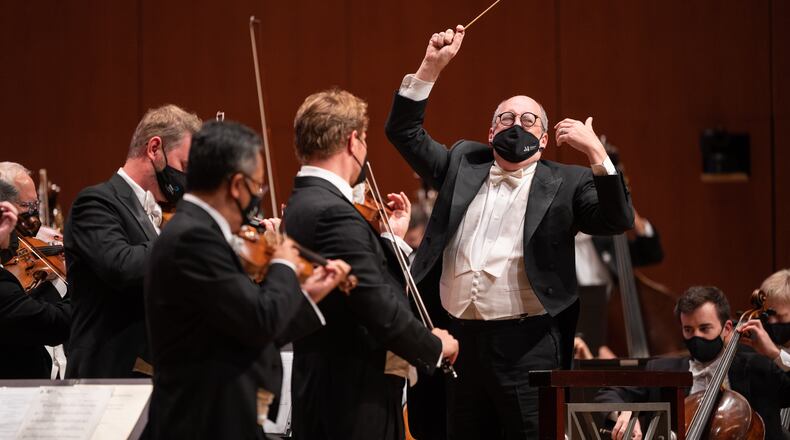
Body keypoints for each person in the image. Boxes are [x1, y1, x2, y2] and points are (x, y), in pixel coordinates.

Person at [384, 25, 634, 439]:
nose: (515, 124)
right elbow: (403, 132)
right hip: (458, 342)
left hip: (528, 345)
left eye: (528, 119)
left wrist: (596, 152)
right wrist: (431, 66)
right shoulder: (462, 163)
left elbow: (617, 219)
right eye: (505, 117)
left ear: (542, 136)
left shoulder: (567, 182)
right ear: (490, 132)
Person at [143, 120, 349, 439]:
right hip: (204, 423)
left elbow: (244, 330)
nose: (257, 196)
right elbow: (259, 318)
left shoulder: (199, 231)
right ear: (237, 185)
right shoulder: (193, 238)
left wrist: (306, 295)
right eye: (257, 186)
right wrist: (283, 261)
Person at [283, 88, 459, 440]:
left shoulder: (304, 202)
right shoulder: (333, 211)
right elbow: (377, 305)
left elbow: (363, 281)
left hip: (329, 393)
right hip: (351, 402)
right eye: (364, 139)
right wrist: (435, 345)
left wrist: (390, 238)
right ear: (353, 141)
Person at [64, 104, 200, 378]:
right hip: (108, 377)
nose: (188, 179)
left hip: (155, 378)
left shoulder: (163, 215)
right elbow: (122, 266)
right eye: (184, 166)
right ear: (154, 149)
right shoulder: (96, 202)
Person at [596, 286, 790, 440]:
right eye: (688, 330)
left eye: (704, 328)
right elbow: (609, 392)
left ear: (727, 328)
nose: (696, 336)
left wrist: (774, 353)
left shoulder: (759, 368)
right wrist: (624, 413)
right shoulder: (663, 371)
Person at [0, 161, 69, 377]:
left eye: (36, 207)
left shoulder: (38, 246)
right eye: (27, 208)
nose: (34, 216)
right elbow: (52, 324)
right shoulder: (5, 284)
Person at [740, 269, 790, 372]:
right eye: (767, 314)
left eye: (780, 316)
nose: (771, 321)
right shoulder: (757, 341)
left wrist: (774, 353)